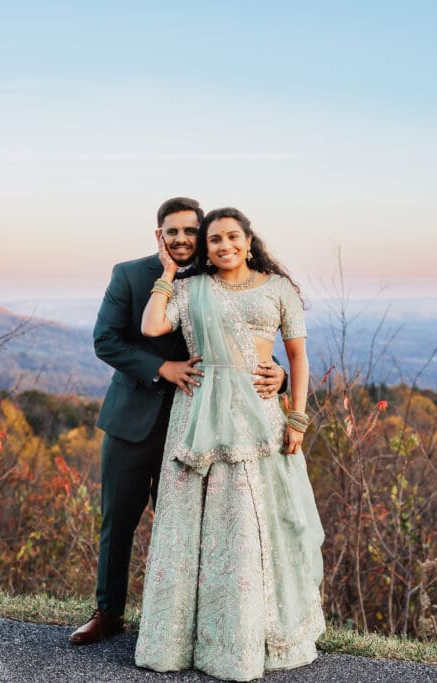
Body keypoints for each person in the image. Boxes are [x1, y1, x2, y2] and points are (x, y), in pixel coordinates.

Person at [71, 198, 286, 645]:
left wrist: (280, 376)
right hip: (133, 421)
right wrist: (161, 368)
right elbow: (105, 341)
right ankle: (108, 612)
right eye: (174, 231)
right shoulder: (129, 274)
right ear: (159, 235)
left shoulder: (218, 278)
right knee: (119, 518)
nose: (183, 239)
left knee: (193, 528)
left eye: (192, 230)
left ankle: (180, 624)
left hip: (200, 424)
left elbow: (249, 339)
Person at [135, 207, 325, 680]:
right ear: (206, 246)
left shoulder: (279, 289)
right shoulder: (189, 288)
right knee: (187, 526)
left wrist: (297, 416)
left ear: (248, 239)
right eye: (214, 240)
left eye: (232, 237)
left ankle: (239, 642)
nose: (224, 246)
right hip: (197, 412)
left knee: (246, 522)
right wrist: (167, 273)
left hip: (256, 416)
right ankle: (176, 644)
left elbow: (298, 357)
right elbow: (152, 327)